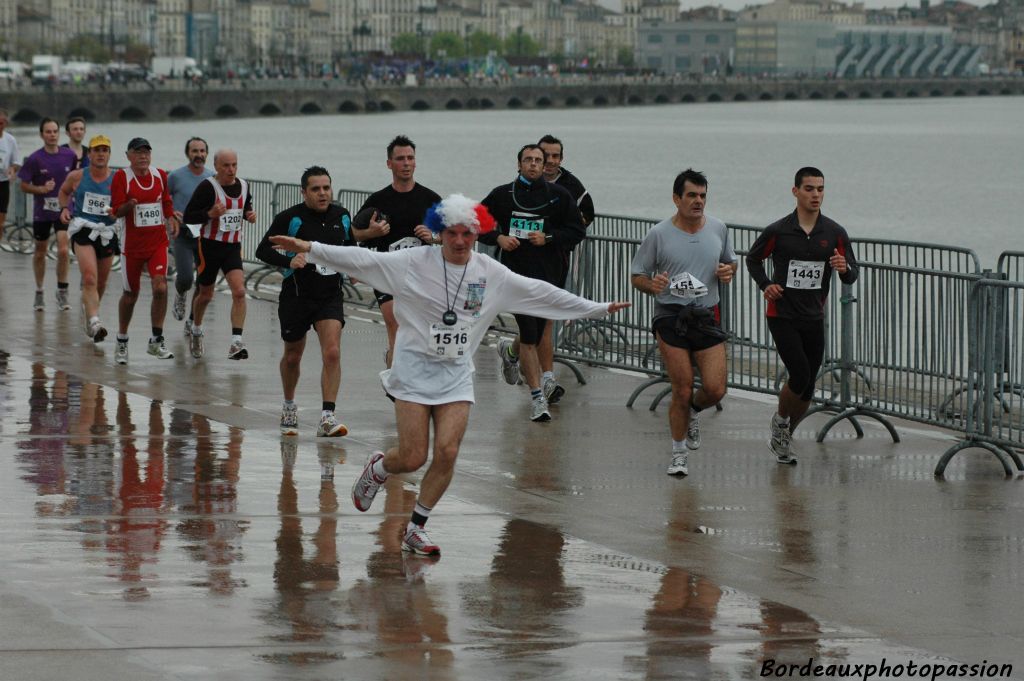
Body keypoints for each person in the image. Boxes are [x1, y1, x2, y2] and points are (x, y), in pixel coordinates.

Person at [268, 193, 629, 557]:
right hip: (412, 372)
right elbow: (359, 258)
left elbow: (540, 293)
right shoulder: (411, 262)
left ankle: (415, 529)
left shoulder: (490, 273)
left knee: (448, 451)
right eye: (452, 233)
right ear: (439, 233)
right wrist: (309, 247)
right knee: (412, 458)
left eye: (467, 235)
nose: (459, 241)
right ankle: (379, 468)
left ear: (477, 235)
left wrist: (596, 308)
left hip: (455, 375)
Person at [745, 167, 858, 464]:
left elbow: (851, 276)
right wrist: (766, 284)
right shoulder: (778, 231)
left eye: (820, 189)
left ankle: (785, 436)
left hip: (813, 317)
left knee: (809, 386)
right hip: (781, 314)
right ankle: (781, 421)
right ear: (795, 191)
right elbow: (753, 260)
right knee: (800, 373)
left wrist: (843, 267)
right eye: (809, 189)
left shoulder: (834, 233)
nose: (816, 195)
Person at [630, 169, 737, 477]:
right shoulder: (659, 234)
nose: (698, 201)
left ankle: (692, 412)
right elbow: (637, 274)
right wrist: (651, 285)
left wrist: (728, 272)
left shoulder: (718, 228)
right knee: (682, 386)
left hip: (706, 315)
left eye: (703, 195)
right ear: (677, 199)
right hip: (670, 316)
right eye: (691, 195)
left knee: (716, 389)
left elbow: (730, 262)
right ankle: (678, 454)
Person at [479, 144, 586, 422]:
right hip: (515, 276)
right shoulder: (502, 195)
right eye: (528, 160)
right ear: (519, 164)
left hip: (550, 275)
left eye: (539, 160)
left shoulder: (559, 196)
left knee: (537, 333)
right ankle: (538, 398)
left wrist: (548, 238)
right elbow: (477, 221)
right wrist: (499, 238)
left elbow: (577, 230)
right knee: (529, 331)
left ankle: (509, 350)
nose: (534, 164)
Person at [254, 166, 353, 438]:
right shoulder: (290, 218)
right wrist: (289, 260)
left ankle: (327, 417)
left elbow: (350, 248)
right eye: (316, 189)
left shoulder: (342, 216)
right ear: (304, 192)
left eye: (326, 188)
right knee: (293, 356)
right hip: (296, 296)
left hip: (330, 296)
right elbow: (262, 249)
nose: (323, 194)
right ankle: (288, 405)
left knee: (332, 352)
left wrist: (356, 271)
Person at [352, 135, 441, 378]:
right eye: (400, 159)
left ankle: (398, 363)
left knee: (420, 331)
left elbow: (453, 235)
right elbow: (353, 233)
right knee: (396, 324)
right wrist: (371, 232)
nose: (406, 163)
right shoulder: (378, 201)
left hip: (422, 275)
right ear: (389, 163)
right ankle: (398, 383)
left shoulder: (430, 199)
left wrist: (434, 237)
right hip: (387, 275)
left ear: (415, 162)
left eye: (410, 158)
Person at [536, 133, 596, 403]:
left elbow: (586, 215)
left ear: (562, 158)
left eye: (555, 156)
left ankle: (544, 379)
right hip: (524, 261)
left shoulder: (571, 185)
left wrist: (561, 232)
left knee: (546, 319)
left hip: (557, 259)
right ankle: (534, 369)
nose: (549, 161)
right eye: (544, 155)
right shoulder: (523, 182)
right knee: (534, 320)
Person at [181, 148, 256, 360]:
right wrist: (209, 214)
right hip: (209, 247)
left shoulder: (244, 185)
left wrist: (249, 214)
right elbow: (189, 216)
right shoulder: (207, 187)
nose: (231, 170)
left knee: (240, 292)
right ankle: (196, 328)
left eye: (234, 165)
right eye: (226, 165)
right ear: (216, 166)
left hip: (232, 247)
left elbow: (245, 204)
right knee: (205, 295)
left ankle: (236, 342)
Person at [110, 137, 179, 364]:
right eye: (138, 152)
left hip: (157, 243)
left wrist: (170, 218)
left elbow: (166, 201)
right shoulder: (122, 177)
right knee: (131, 296)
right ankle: (121, 339)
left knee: (160, 286)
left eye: (146, 152)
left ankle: (156, 340)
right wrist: (129, 205)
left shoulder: (160, 175)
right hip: (131, 247)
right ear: (128, 155)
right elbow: (116, 211)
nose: (143, 156)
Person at [57, 134, 119, 342]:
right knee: (90, 277)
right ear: (89, 154)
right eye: (96, 150)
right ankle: (95, 321)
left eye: (105, 150)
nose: (101, 154)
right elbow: (64, 192)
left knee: (101, 282)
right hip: (83, 228)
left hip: (107, 231)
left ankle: (89, 313)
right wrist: (64, 208)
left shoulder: (117, 178)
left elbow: (125, 203)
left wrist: (118, 212)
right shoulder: (78, 176)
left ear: (109, 154)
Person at [18, 118, 78, 312]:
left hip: (63, 210)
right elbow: (23, 185)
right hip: (42, 213)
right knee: (40, 252)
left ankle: (62, 290)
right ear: (41, 135)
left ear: (59, 134)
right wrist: (42, 189)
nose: (52, 135)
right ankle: (39, 290)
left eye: (55, 131)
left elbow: (75, 178)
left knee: (62, 250)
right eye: (48, 132)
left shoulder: (69, 155)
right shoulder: (35, 158)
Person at [167, 137, 213, 332]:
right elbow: (164, 199)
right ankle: (180, 293)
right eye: (195, 151)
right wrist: (170, 214)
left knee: (204, 283)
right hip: (183, 234)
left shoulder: (212, 177)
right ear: (188, 153)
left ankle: (193, 321)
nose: (199, 155)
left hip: (205, 235)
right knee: (186, 278)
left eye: (202, 151)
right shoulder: (176, 176)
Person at [0, 108, 23, 243]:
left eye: (1, 123)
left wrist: (12, 169)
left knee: (1, 222)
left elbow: (17, 162)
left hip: (2, 183)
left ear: (6, 123)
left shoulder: (10, 140)